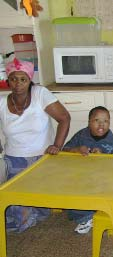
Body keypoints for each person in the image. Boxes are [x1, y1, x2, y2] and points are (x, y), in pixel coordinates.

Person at [0, 58, 70, 233]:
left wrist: (57, 145)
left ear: (30, 80)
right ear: (8, 81)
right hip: (14, 159)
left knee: (40, 203)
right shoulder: (1, 102)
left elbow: (64, 118)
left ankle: (33, 213)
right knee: (15, 203)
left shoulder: (40, 93)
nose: (18, 84)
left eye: (23, 79)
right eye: (13, 79)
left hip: (42, 158)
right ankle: (25, 215)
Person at [62, 106, 113, 234]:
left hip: (104, 177)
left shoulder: (111, 137)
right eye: (97, 120)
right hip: (82, 175)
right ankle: (87, 217)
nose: (101, 124)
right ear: (89, 122)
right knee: (72, 193)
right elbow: (64, 150)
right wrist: (77, 150)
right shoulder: (81, 135)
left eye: (106, 121)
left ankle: (94, 215)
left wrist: (103, 156)